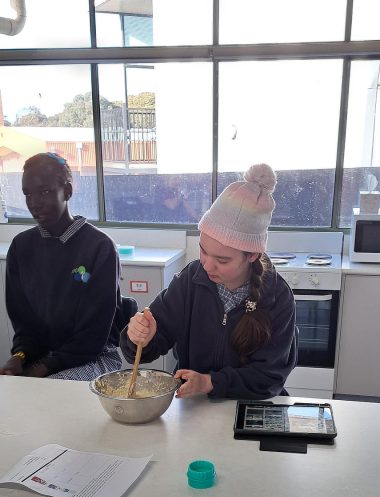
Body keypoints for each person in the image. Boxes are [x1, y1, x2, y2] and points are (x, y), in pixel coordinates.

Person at [120, 163, 297, 399]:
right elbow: (146, 347)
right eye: (203, 250)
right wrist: (140, 337)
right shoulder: (191, 280)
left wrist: (210, 382)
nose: (207, 265)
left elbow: (269, 377)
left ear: (252, 255)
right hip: (193, 405)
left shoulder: (277, 296)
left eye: (222, 260)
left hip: (251, 407)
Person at [0, 152, 122, 380]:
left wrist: (42, 369)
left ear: (67, 191)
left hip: (95, 357)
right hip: (42, 357)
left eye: (44, 192)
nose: (34, 203)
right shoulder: (20, 248)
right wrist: (19, 357)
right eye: (28, 194)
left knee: (45, 390)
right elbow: (25, 326)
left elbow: (93, 335)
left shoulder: (99, 247)